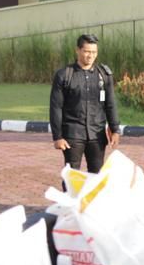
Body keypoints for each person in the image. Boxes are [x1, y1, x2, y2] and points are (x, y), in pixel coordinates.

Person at [49, 33, 120, 174]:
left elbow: (110, 103)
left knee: (97, 175)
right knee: (72, 175)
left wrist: (115, 129)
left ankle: (92, 197)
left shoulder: (104, 75)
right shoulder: (64, 75)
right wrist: (57, 137)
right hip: (73, 134)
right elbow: (56, 107)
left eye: (94, 52)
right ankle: (71, 197)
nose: (90, 55)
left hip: (97, 135)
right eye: (87, 51)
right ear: (78, 50)